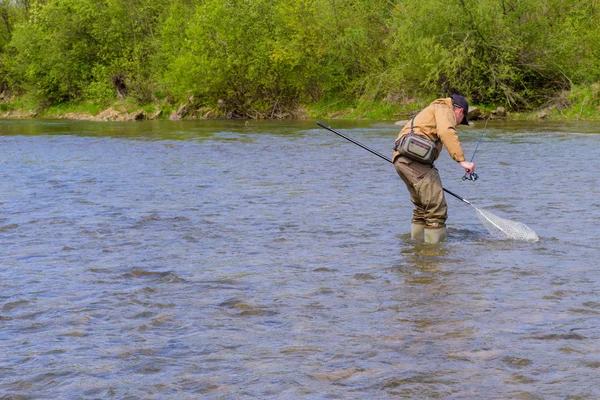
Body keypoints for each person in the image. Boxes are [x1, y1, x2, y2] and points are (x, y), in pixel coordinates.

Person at [392, 94, 475, 244]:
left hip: (401, 161)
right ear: (459, 111)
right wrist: (462, 160)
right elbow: (446, 131)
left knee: (422, 210)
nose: (458, 124)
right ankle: (435, 257)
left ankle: (418, 250)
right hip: (415, 163)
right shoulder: (445, 109)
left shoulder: (432, 109)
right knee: (436, 210)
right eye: (461, 121)